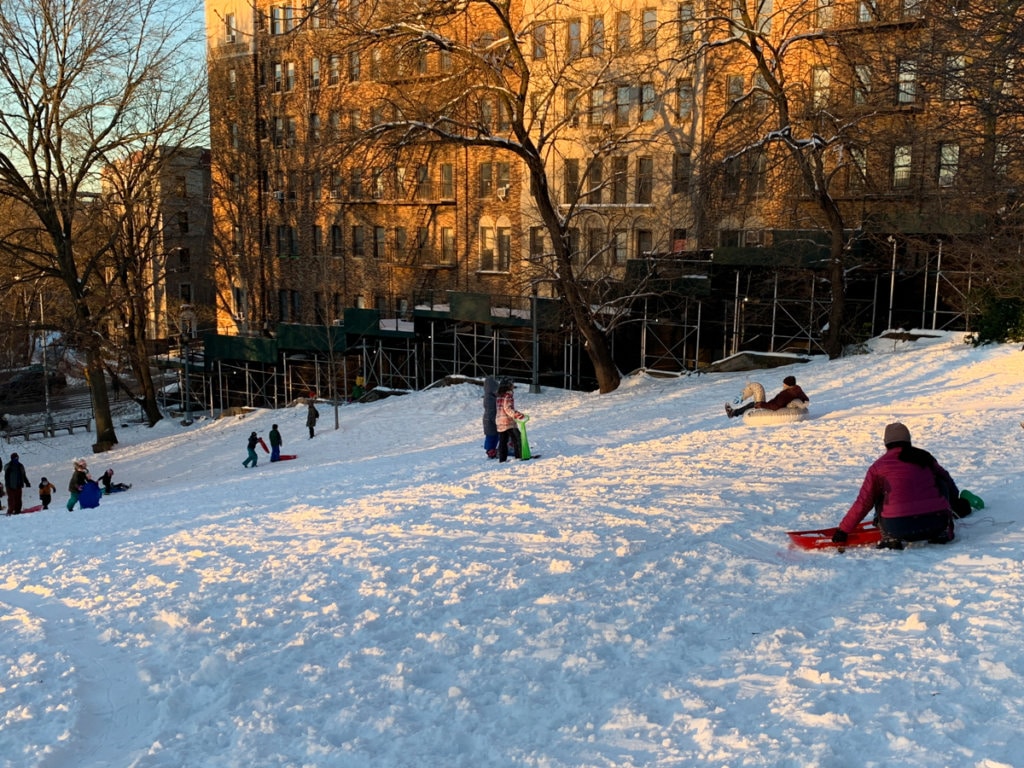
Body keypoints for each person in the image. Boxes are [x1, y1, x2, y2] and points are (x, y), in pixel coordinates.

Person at [832, 422, 966, 550]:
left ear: (886, 443)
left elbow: (864, 502)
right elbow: (946, 480)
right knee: (940, 482)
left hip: (898, 526)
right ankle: (941, 532)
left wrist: (843, 530)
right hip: (937, 522)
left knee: (878, 494)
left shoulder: (879, 466)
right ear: (909, 440)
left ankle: (890, 538)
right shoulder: (924, 457)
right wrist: (956, 502)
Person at [725, 375, 809, 418]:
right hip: (776, 405)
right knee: (754, 403)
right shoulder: (797, 390)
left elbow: (776, 406)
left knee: (753, 404)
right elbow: (806, 399)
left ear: (787, 384)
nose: (783, 385)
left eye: (784, 384)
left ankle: (733, 413)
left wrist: (761, 405)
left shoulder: (786, 394)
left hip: (772, 408)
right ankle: (734, 412)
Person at [495, 378, 526, 463]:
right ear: (508, 386)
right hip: (508, 421)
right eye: (512, 384)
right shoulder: (508, 395)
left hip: (499, 421)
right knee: (517, 438)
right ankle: (519, 456)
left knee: (503, 441)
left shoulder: (499, 395)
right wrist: (518, 415)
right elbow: (508, 408)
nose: (513, 386)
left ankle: (502, 459)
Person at [482, 375, 499, 459]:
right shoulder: (490, 398)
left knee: (494, 436)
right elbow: (491, 411)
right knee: (491, 436)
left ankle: (492, 449)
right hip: (490, 420)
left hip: (490, 419)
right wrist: (496, 420)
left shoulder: (491, 396)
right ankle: (490, 451)